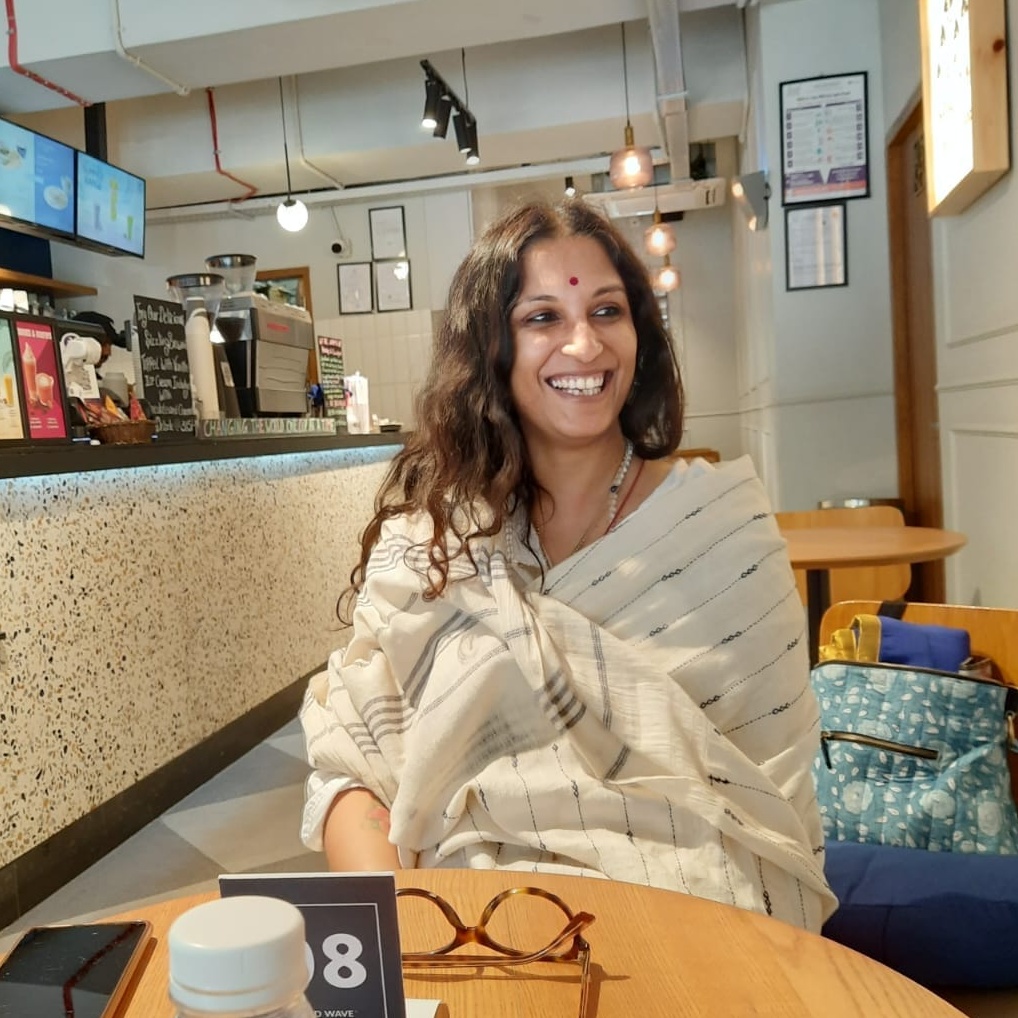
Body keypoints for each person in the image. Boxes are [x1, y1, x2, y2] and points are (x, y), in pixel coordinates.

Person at [300, 199, 836, 932]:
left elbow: (773, 806)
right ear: (491, 349)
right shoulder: (432, 546)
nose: (584, 345)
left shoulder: (721, 535)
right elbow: (348, 763)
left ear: (640, 335)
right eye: (543, 317)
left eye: (607, 311)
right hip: (469, 928)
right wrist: (399, 932)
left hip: (689, 925)